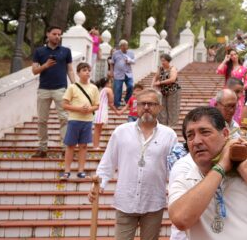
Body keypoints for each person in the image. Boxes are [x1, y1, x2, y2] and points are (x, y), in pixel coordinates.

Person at [168, 106, 247, 239]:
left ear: (225, 134)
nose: (197, 141)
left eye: (205, 132)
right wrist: (221, 167)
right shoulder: (185, 173)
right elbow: (181, 220)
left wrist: (246, 170)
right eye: (190, 135)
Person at [90, 88, 177, 240]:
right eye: (142, 103)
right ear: (136, 107)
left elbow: (174, 169)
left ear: (160, 107)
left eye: (151, 103)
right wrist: (99, 184)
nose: (146, 107)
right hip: (125, 201)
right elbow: (107, 162)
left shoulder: (169, 135)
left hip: (153, 202)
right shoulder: (121, 132)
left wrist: (175, 191)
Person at [32, 25, 75, 158]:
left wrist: (75, 85)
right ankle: (42, 148)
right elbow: (34, 70)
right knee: (41, 120)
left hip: (60, 89)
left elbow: (70, 69)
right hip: (43, 89)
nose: (57, 36)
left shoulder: (66, 51)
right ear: (48, 34)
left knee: (64, 118)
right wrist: (45, 65)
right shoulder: (39, 51)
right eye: (55, 34)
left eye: (59, 34)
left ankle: (65, 148)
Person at [60, 63, 99, 179]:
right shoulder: (72, 87)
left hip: (87, 121)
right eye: (84, 70)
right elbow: (64, 105)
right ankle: (67, 171)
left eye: (88, 70)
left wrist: (89, 109)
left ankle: (81, 170)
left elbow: (97, 105)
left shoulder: (94, 88)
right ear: (78, 73)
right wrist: (79, 109)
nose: (87, 72)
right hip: (74, 120)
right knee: (70, 145)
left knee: (83, 146)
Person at [153, 53, 181, 127]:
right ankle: (163, 125)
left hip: (173, 91)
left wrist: (161, 82)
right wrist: (152, 86)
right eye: (161, 61)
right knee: (162, 107)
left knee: (172, 108)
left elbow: (172, 79)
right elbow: (155, 78)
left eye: (164, 61)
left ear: (168, 61)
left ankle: (171, 125)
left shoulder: (173, 68)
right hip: (163, 91)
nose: (162, 62)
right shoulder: (160, 68)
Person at [93, 77, 118, 149]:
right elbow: (111, 102)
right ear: (107, 83)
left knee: (98, 129)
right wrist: (117, 111)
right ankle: (95, 146)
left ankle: (96, 145)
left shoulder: (102, 90)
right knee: (98, 129)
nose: (112, 84)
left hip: (99, 110)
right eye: (110, 82)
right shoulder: (108, 89)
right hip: (101, 110)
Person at [111, 39, 135, 108]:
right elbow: (112, 63)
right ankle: (117, 104)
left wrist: (129, 61)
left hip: (128, 73)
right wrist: (111, 72)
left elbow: (134, 61)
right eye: (123, 46)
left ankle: (127, 100)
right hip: (118, 74)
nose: (125, 47)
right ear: (120, 46)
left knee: (130, 86)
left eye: (126, 46)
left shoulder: (131, 53)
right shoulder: (115, 53)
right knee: (118, 89)